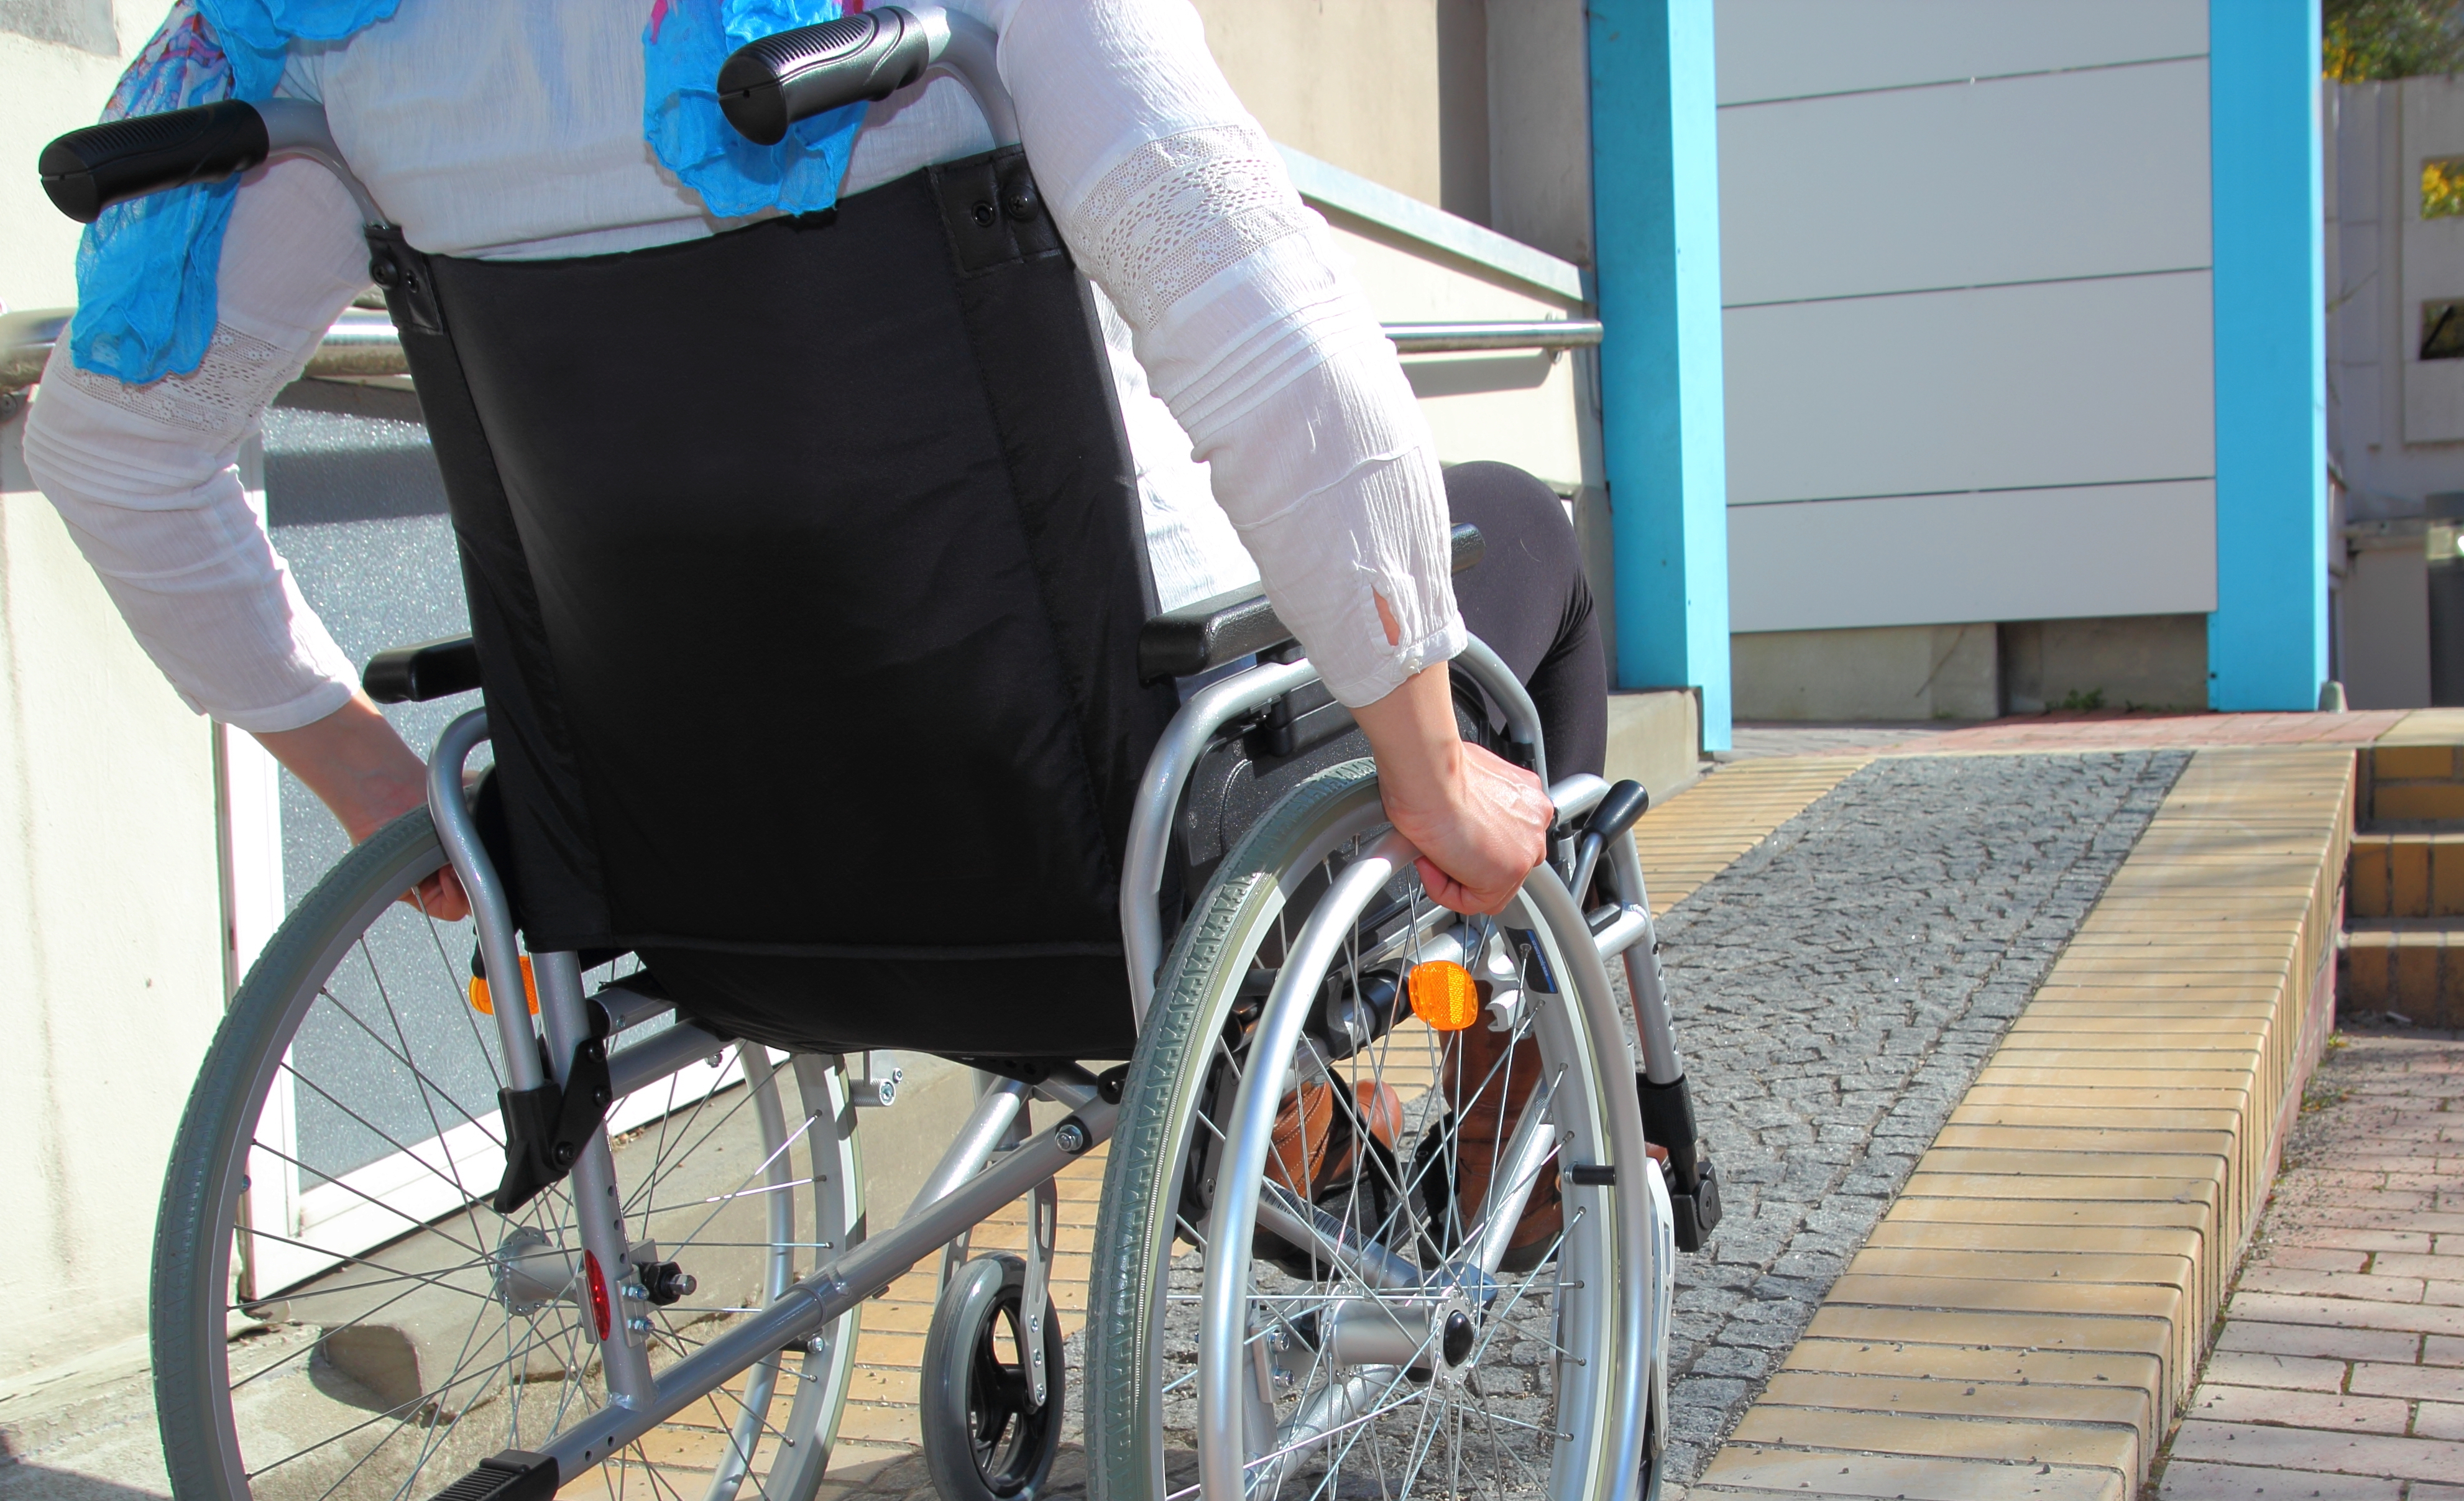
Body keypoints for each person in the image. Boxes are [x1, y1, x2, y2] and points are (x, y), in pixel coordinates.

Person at [25, 0, 1602, 925]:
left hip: (668, 842)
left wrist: (380, 795)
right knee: (1523, 539)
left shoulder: (328, 42)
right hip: (1084, 787)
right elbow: (1273, 353)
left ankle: (1326, 1135)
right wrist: (1427, 764)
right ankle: (1500, 1078)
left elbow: (115, 455)